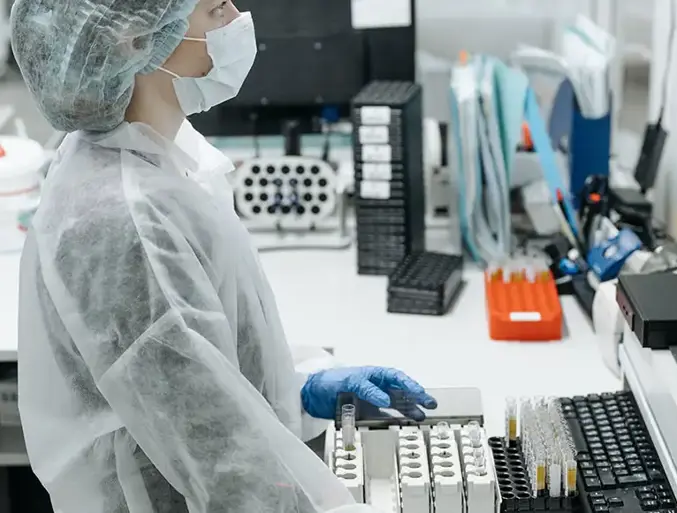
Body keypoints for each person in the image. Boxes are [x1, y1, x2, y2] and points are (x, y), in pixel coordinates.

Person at [10, 1, 437, 512]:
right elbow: (229, 473)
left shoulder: (162, 158)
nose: (238, 18)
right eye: (216, 10)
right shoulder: (124, 218)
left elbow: (190, 384)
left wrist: (296, 391)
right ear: (136, 41)